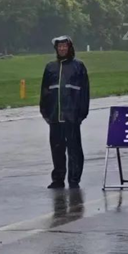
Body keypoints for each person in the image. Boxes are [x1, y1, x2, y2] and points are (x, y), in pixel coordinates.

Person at [40, 36, 90, 189]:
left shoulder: (78, 66)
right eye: (59, 46)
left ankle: (74, 180)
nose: (62, 49)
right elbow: (44, 92)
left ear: (69, 48)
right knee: (57, 148)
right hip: (55, 117)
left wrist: (81, 114)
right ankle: (58, 179)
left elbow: (85, 92)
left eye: (64, 46)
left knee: (74, 150)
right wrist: (46, 113)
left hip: (72, 117)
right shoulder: (50, 68)